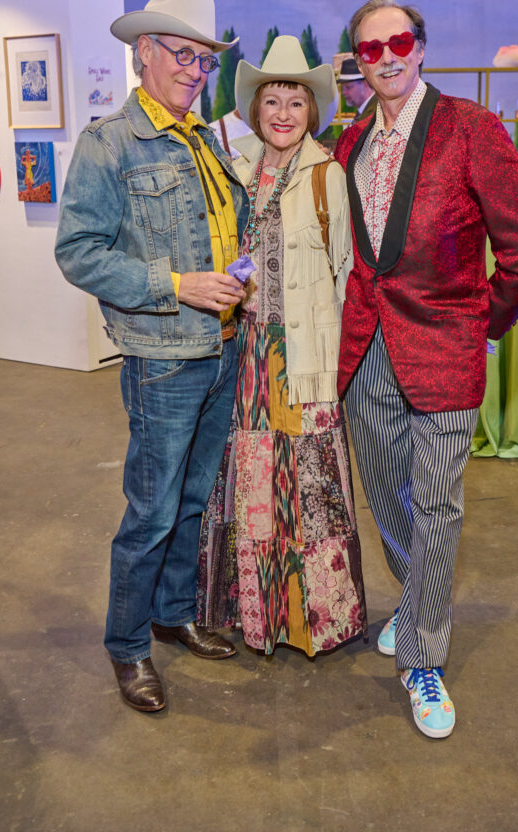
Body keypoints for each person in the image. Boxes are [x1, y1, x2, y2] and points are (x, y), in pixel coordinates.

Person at [335, 0, 518, 738]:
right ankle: (416, 599)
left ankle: (423, 656)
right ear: (357, 64)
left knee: (436, 504)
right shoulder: (350, 142)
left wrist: (483, 321)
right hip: (367, 352)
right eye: (370, 49)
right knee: (387, 498)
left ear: (420, 47)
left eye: (398, 41)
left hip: (446, 349)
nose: (386, 56)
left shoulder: (470, 127)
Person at [55, 0, 250, 713]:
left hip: (221, 349)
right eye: (182, 54)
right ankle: (128, 647)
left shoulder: (202, 138)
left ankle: (171, 615)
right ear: (143, 53)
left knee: (193, 502)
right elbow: (78, 253)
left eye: (203, 58)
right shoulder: (109, 143)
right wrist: (176, 284)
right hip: (163, 356)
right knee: (151, 512)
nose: (196, 69)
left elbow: (220, 235)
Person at [196, 36, 368, 655]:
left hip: (304, 359)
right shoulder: (237, 170)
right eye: (273, 99)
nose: (284, 113)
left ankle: (318, 620)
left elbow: (348, 275)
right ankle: (258, 616)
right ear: (255, 108)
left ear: (312, 110)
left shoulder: (328, 175)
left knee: (312, 493)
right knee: (255, 485)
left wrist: (335, 365)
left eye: (296, 101)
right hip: (245, 358)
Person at [337, 56, 375, 121]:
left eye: (348, 87)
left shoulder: (377, 112)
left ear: (366, 83)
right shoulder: (364, 111)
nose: (343, 92)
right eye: (343, 87)